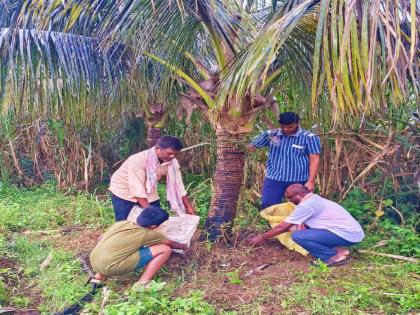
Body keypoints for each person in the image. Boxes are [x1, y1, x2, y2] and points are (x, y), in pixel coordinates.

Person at [248, 184, 364, 266]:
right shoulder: (314, 199)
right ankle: (340, 251)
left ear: (299, 195)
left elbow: (284, 226)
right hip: (351, 233)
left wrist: (262, 237)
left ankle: (333, 257)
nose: (288, 200)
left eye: (289, 197)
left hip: (348, 234)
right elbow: (291, 227)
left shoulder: (307, 205)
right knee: (303, 232)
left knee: (298, 236)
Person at [89, 206, 188, 287]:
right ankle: (142, 283)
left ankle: (99, 276)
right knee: (165, 249)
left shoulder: (122, 223)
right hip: (111, 267)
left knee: (114, 243)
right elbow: (172, 244)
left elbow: (102, 237)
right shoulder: (149, 234)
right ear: (153, 226)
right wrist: (184, 246)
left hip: (94, 260)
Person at [109, 135, 195, 221]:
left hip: (148, 190)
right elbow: (137, 189)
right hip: (123, 191)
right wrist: (150, 212)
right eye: (169, 153)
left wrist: (188, 206)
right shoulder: (138, 160)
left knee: (156, 221)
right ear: (157, 148)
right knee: (125, 222)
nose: (172, 156)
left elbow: (178, 185)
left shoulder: (172, 163)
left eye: (175, 154)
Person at [247, 112, 321, 209]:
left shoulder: (309, 138)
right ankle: (276, 224)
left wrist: (311, 181)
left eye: (290, 127)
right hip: (275, 179)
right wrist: (242, 142)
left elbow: (314, 159)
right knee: (268, 206)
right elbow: (251, 146)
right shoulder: (272, 134)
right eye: (283, 127)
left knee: (302, 208)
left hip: (299, 180)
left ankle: (299, 225)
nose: (286, 129)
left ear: (297, 123)